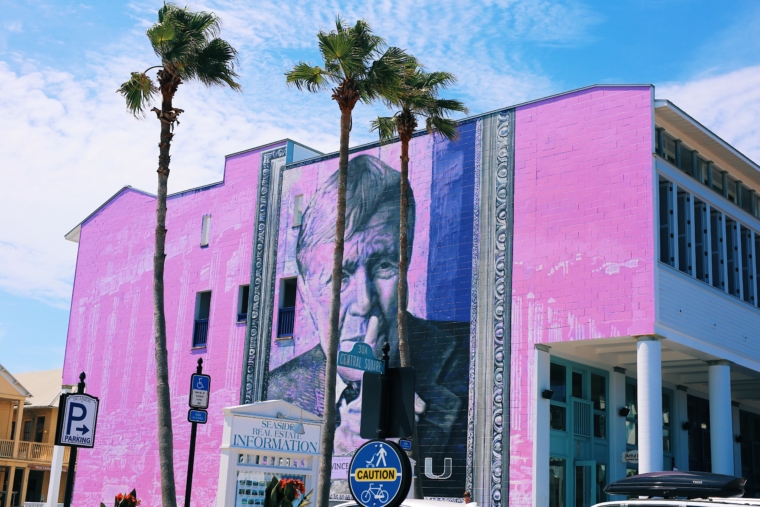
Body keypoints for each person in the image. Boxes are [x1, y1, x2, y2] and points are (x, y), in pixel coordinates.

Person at [267, 154, 469, 493]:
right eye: (338, 276)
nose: (364, 302)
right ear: (304, 293)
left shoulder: (469, 358)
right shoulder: (278, 391)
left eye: (384, 267)